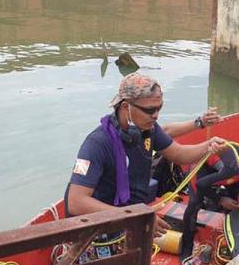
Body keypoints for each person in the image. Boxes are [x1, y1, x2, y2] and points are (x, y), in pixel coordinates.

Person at [64, 73, 228, 239]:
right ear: (125, 107)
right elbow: (76, 202)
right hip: (98, 229)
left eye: (159, 108)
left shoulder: (148, 130)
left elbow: (179, 154)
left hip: (132, 217)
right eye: (149, 110)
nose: (156, 115)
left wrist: (208, 146)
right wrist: (135, 217)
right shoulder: (97, 144)